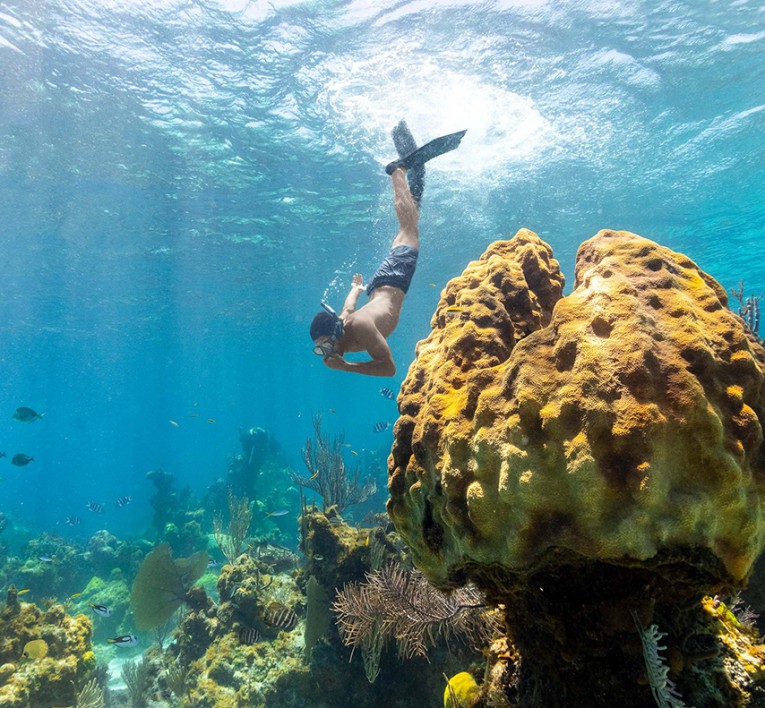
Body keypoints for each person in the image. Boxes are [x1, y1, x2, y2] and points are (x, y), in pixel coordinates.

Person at [309, 122, 466, 377]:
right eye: (320, 350)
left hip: (393, 279)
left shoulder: (359, 327)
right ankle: (415, 171)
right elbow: (347, 308)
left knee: (409, 228)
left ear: (336, 333)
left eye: (326, 346)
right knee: (409, 223)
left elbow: (390, 369)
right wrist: (355, 290)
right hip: (380, 285)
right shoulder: (343, 327)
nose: (327, 353)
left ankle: (398, 171)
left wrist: (346, 366)